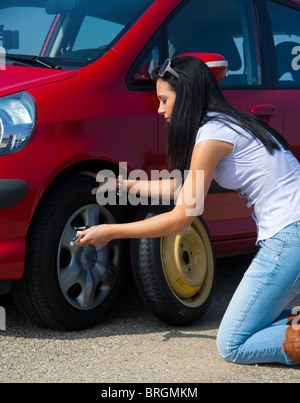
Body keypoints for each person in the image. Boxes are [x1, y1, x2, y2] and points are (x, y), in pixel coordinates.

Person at [76, 56, 300, 366]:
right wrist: (124, 185)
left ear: (186, 96)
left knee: (233, 343)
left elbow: (183, 217)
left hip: (289, 239)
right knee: (255, 323)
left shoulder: (211, 136)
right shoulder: (229, 123)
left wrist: (112, 231)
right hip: (292, 233)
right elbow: (182, 189)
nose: (160, 109)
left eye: (165, 100)